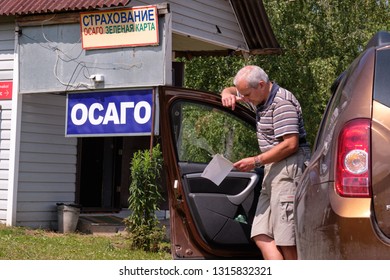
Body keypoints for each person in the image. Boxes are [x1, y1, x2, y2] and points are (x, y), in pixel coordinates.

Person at [221, 65, 310, 260]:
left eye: (246, 95)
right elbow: (234, 90)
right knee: (261, 234)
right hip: (273, 167)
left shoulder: (281, 103)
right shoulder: (260, 98)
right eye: (242, 95)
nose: (243, 99)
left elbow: (291, 144)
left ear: (261, 85)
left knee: (287, 239)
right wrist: (226, 93)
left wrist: (255, 161)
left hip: (288, 166)